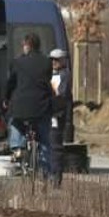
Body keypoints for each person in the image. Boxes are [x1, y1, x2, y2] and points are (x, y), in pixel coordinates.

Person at [4, 32, 53, 178]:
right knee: (44, 138)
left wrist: (6, 99)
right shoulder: (47, 62)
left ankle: (17, 147)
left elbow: (10, 84)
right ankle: (45, 171)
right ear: (38, 46)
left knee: (15, 121)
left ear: (26, 45)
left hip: (20, 106)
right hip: (41, 106)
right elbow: (47, 79)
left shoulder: (16, 62)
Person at [49, 48, 71, 185]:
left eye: (57, 60)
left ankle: (56, 176)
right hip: (48, 113)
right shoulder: (50, 74)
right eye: (52, 59)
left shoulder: (65, 75)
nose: (54, 62)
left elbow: (61, 95)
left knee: (55, 145)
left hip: (57, 115)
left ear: (63, 61)